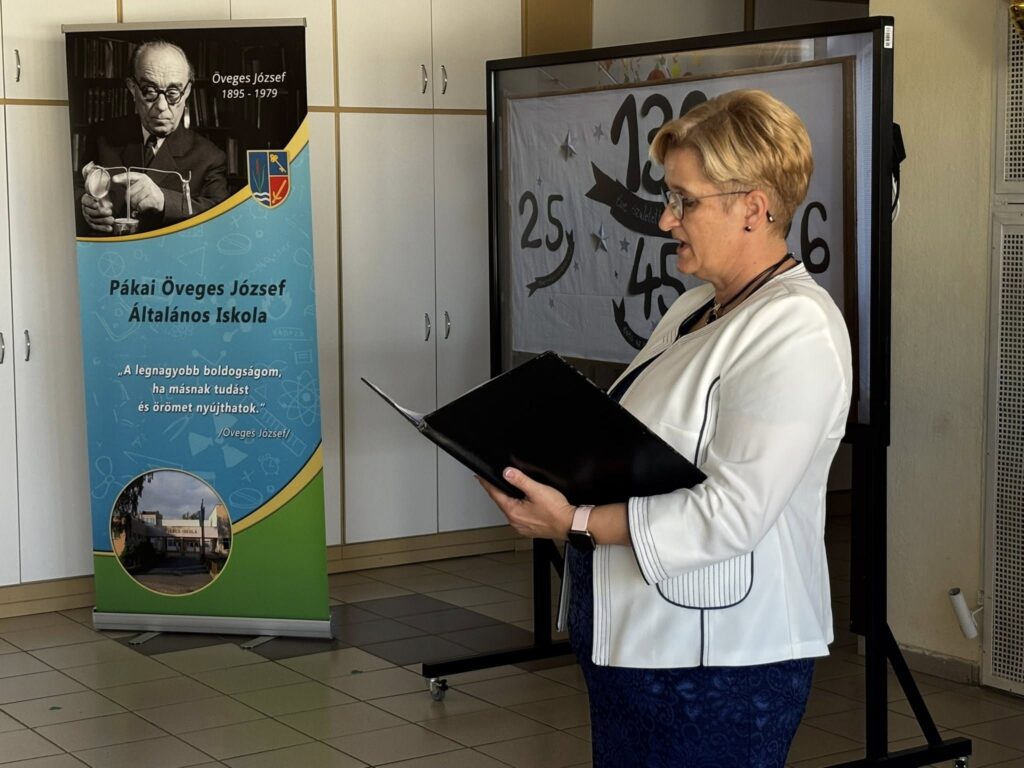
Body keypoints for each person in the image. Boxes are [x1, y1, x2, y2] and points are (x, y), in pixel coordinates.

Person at [479, 89, 853, 767]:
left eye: (685, 200)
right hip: (638, 644)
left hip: (719, 665)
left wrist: (575, 521)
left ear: (753, 208)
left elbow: (733, 512)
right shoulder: (694, 308)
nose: (665, 218)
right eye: (669, 196)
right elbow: (643, 447)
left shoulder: (796, 328)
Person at [76, 40, 229, 236]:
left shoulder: (210, 157)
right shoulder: (101, 137)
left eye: (173, 93)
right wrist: (84, 205)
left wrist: (165, 201)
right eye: (149, 91)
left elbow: (222, 217)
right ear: (132, 88)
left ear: (188, 91)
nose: (162, 106)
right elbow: (75, 189)